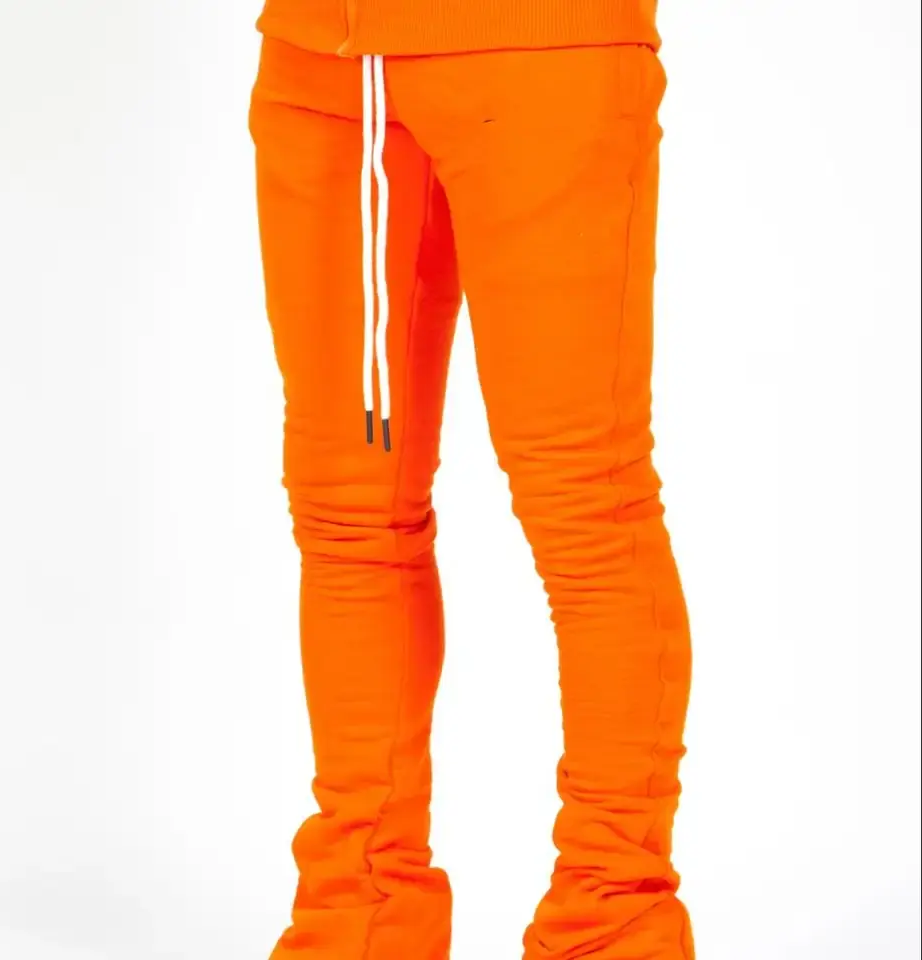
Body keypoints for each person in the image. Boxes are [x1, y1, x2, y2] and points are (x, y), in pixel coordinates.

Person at [248, 1, 693, 957]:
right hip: (326, 64)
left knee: (587, 505)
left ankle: (613, 927)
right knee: (348, 515)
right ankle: (360, 922)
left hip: (542, 50)